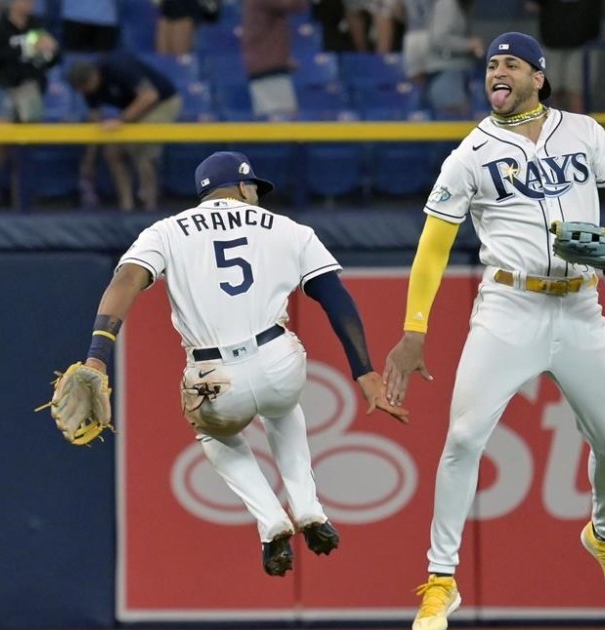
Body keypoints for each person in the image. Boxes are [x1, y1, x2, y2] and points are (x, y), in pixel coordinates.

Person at [382, 31, 605, 630]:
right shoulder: (470, 153)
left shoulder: (583, 131)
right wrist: (413, 329)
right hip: (509, 306)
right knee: (463, 437)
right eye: (490, 65)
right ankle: (441, 581)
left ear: (539, 75)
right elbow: (433, 246)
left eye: (510, 64)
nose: (496, 73)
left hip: (583, 307)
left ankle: (604, 536)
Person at [74, 150, 408, 575]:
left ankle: (271, 524)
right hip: (278, 361)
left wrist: (98, 356)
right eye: (255, 189)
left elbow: (126, 281)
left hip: (213, 378)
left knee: (214, 437)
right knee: (283, 409)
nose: (257, 196)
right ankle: (309, 509)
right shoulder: (289, 229)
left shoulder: (166, 231)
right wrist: (365, 372)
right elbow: (335, 297)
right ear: (244, 185)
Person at [0, 0, 59, 212]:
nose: (30, 4)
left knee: (27, 152)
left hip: (30, 92)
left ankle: (23, 206)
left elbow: (51, 60)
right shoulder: (0, 30)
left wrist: (50, 51)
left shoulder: (37, 27)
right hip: (4, 91)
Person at [67, 53, 182, 211]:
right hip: (135, 109)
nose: (85, 92)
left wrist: (121, 120)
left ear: (94, 76)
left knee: (143, 150)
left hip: (163, 102)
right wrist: (89, 160)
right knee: (112, 152)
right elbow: (94, 121)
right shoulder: (88, 90)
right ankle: (126, 206)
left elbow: (150, 96)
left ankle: (150, 207)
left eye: (86, 87)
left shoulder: (118, 66)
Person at [526, 0, 605, 113]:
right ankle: (556, 128)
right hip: (552, 43)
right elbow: (531, 6)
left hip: (582, 45)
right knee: (552, 92)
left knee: (576, 92)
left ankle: (577, 129)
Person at [242, 0, 308, 119]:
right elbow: (295, 4)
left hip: (269, 69)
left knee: (279, 122)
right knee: (281, 123)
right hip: (268, 72)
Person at [424, 0, 484, 117]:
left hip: (461, 70)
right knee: (451, 117)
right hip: (446, 71)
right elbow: (438, 39)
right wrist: (468, 45)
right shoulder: (447, 4)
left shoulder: (463, 5)